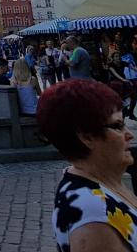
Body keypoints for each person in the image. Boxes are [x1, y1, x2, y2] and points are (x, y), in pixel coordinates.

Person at [37, 79, 137, 251]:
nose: (129, 135)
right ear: (87, 137)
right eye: (118, 126)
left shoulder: (101, 182)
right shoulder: (92, 213)